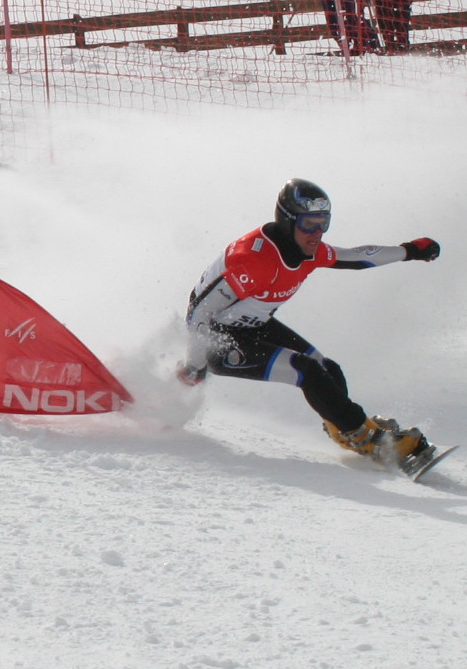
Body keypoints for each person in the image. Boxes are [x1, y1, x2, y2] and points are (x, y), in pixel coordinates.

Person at [180, 178, 443, 476]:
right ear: (288, 221)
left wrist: (409, 251)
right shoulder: (255, 260)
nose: (317, 234)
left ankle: (351, 431)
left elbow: (357, 256)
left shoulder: (306, 249)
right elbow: (199, 312)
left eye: (323, 224)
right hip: (216, 339)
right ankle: (366, 437)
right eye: (309, 225)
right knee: (308, 372)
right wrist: (195, 364)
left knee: (328, 370)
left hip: (252, 326)